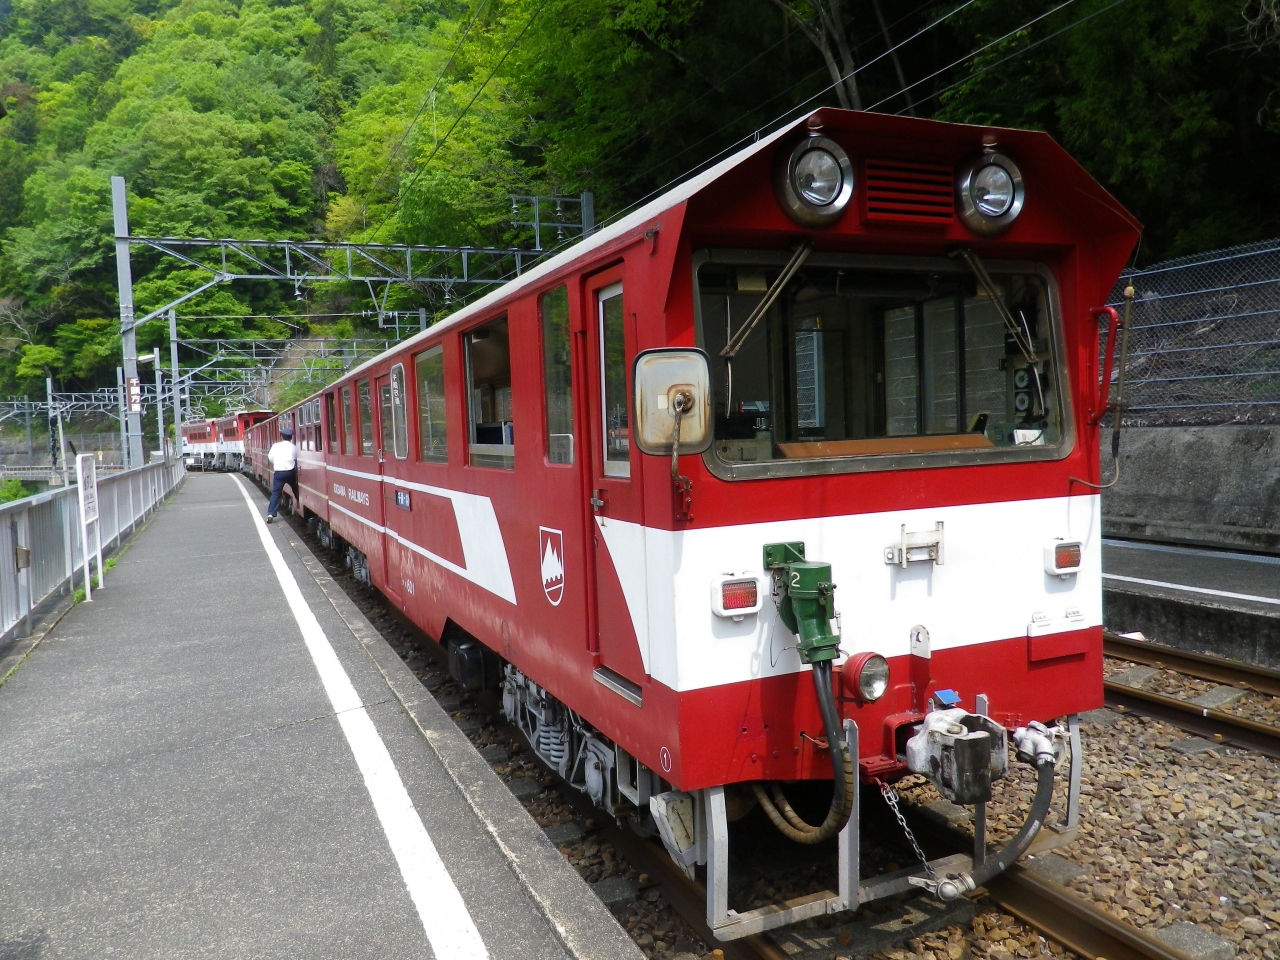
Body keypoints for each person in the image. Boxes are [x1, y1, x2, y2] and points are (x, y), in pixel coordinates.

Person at [266, 426, 298, 524]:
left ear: (281, 436)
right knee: (296, 488)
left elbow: (270, 458)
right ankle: (299, 503)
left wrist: (277, 463)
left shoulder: (275, 446)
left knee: (276, 493)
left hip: (279, 473)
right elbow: (296, 458)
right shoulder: (294, 447)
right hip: (290, 473)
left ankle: (271, 514)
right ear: (291, 437)